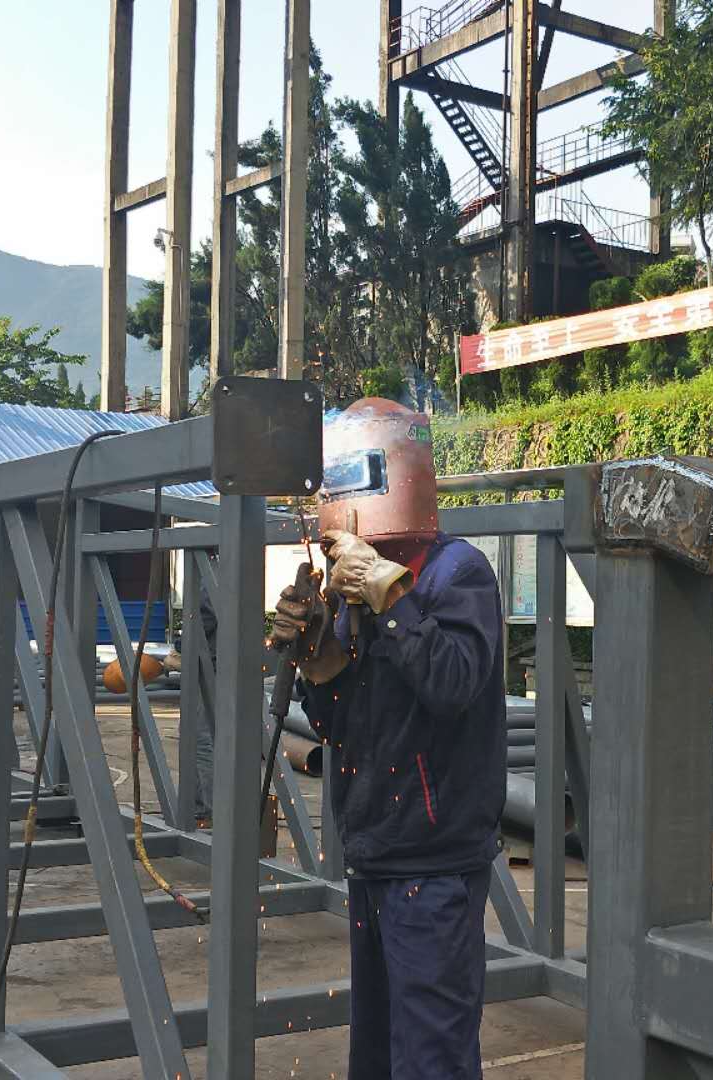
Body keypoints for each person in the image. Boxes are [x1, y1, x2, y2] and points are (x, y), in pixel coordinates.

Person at [272, 397, 507, 1080]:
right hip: (373, 854)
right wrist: (317, 660)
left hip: (433, 864)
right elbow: (337, 728)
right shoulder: (352, 589)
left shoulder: (457, 572)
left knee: (431, 1059)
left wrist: (392, 597)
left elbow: (453, 684)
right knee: (376, 1056)